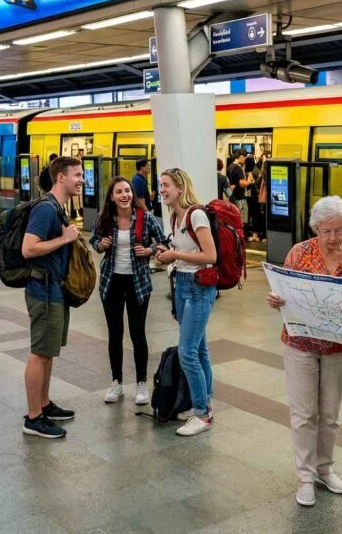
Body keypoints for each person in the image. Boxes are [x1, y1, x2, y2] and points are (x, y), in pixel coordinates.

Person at [266, 196, 342, 507]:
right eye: (326, 231)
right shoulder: (300, 252)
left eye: (339, 230)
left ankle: (325, 467)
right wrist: (275, 298)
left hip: (336, 346)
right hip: (300, 343)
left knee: (330, 413)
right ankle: (305, 475)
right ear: (315, 229)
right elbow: (282, 289)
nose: (334, 238)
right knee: (304, 413)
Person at [20, 156, 83, 439]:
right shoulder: (46, 209)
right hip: (42, 290)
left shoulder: (57, 208)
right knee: (39, 353)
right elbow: (28, 249)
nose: (82, 180)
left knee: (48, 352)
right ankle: (33, 417)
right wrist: (65, 239)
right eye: (77, 175)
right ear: (61, 177)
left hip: (53, 288)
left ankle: (43, 405)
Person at [90, 177, 167, 406]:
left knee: (137, 334)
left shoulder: (145, 217)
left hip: (138, 284)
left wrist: (150, 250)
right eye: (119, 192)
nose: (124, 195)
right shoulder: (104, 219)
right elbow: (94, 240)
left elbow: (164, 243)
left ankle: (142, 383)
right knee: (114, 335)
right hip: (111, 282)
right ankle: (117, 383)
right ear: (111, 197)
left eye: (127, 191)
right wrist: (100, 245)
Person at [155, 168, 219, 437]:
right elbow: (180, 253)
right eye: (160, 185)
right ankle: (203, 402)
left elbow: (211, 255)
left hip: (198, 289)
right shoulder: (173, 216)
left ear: (181, 188)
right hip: (181, 284)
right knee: (200, 349)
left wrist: (174, 254)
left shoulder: (196, 214)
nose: (162, 189)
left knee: (188, 351)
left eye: (166, 185)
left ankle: (202, 414)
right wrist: (166, 255)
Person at [227, 152, 250, 229]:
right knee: (241, 222)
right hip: (240, 198)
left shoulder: (230, 167)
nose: (244, 160)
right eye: (244, 158)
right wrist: (249, 180)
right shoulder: (238, 168)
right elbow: (242, 184)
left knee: (234, 220)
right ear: (241, 157)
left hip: (233, 197)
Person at [245, 155, 262, 241]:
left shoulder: (245, 171)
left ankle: (251, 233)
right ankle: (256, 234)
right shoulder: (254, 172)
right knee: (256, 214)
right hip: (254, 196)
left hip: (248, 196)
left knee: (249, 214)